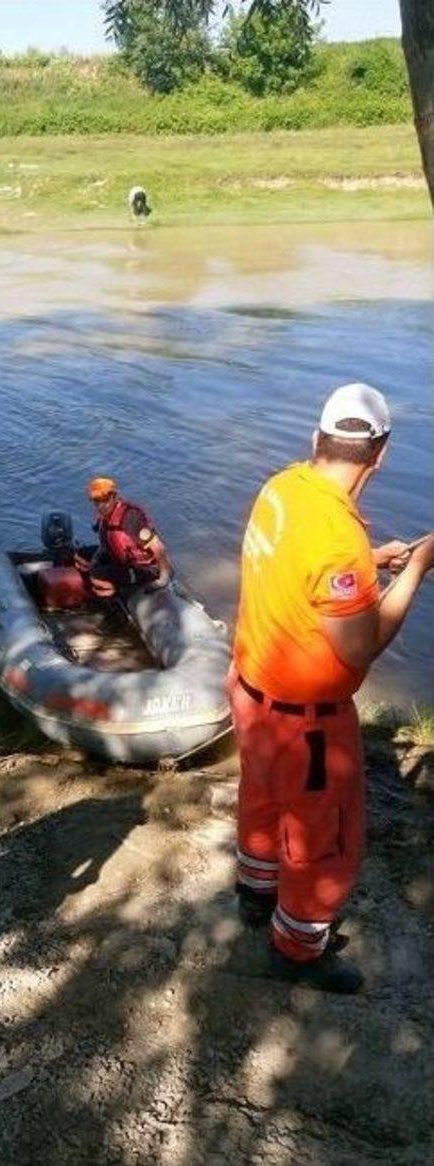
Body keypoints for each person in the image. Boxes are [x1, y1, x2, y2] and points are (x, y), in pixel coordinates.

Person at [229, 382, 434, 994]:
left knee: (261, 802)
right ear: (383, 453)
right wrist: (417, 569)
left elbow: (304, 565)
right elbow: (359, 645)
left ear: (316, 439)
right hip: (307, 726)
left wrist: (370, 563)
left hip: (248, 692)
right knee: (324, 843)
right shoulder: (337, 541)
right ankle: (296, 952)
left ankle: (254, 893)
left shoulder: (282, 488)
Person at [76, 476, 171, 599]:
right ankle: (92, 589)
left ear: (114, 496)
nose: (101, 505)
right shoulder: (105, 514)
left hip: (144, 568)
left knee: (97, 574)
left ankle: (114, 598)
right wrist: (96, 557)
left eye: (105, 499)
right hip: (121, 557)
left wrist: (163, 578)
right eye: (96, 501)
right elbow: (108, 540)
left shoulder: (130, 518)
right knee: (81, 555)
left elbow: (158, 547)